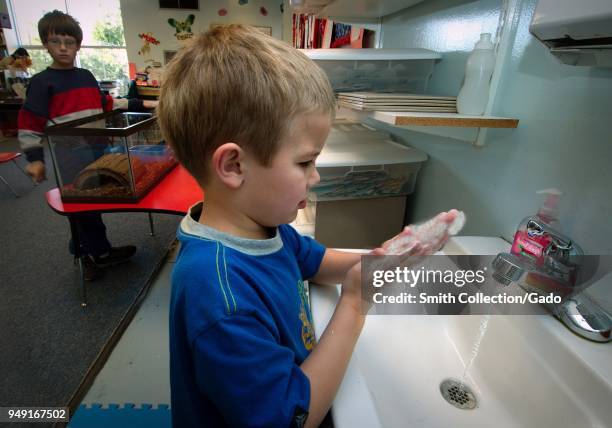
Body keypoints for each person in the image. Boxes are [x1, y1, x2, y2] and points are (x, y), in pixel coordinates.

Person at [158, 25, 457, 428]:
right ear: (233, 166)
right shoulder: (219, 295)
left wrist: (380, 260)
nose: (315, 177)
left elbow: (313, 261)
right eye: (304, 162)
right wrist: (354, 303)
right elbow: (290, 418)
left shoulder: (264, 227)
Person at [18, 10, 158, 280]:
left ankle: (86, 250)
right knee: (82, 204)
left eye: (69, 42)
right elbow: (29, 123)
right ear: (45, 44)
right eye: (55, 41)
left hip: (96, 149)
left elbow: (109, 104)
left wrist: (149, 104)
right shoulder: (41, 83)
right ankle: (95, 254)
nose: (62, 48)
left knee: (93, 200)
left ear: (78, 44)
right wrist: (35, 159)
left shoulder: (85, 76)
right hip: (68, 154)